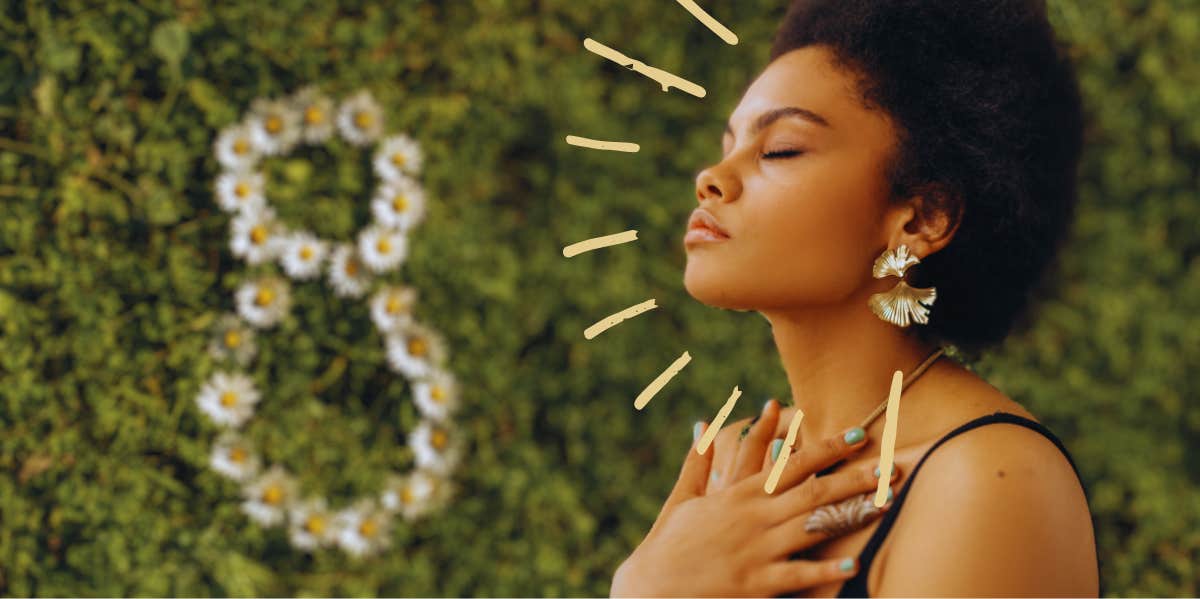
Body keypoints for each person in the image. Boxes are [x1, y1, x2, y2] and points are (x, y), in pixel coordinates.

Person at [611, 0, 1101, 596]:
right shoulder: (738, 463)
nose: (712, 176)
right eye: (729, 142)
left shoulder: (989, 479)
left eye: (780, 150)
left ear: (922, 218)